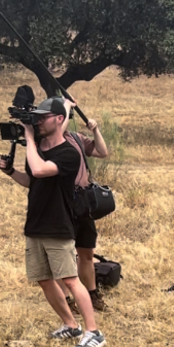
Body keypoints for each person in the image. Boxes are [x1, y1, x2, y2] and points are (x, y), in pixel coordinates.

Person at [0, 97, 106, 347]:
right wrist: (11, 172)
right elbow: (32, 180)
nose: (37, 122)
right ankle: (70, 324)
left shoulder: (68, 153)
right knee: (44, 279)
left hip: (58, 225)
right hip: (34, 223)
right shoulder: (38, 151)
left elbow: (40, 171)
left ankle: (93, 332)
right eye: (35, 118)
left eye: (42, 117)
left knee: (70, 279)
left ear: (59, 120)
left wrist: (28, 138)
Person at [59, 101, 110, 312]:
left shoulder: (77, 138)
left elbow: (102, 151)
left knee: (86, 252)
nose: (65, 121)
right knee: (64, 254)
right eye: (62, 117)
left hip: (83, 203)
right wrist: (65, 107)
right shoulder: (48, 140)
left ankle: (91, 294)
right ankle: (67, 300)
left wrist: (95, 130)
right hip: (63, 203)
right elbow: (57, 140)